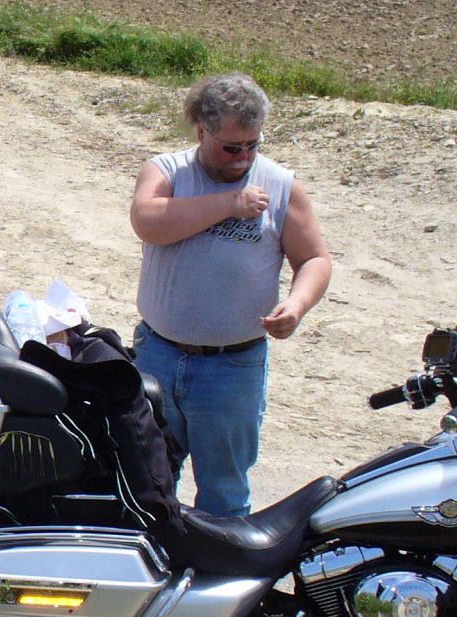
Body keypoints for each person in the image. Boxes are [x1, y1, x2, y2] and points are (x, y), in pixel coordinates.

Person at [128, 72, 331, 518]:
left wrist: (297, 305)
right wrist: (230, 204)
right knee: (148, 480)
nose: (243, 159)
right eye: (231, 147)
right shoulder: (168, 172)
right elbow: (148, 221)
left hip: (231, 367)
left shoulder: (280, 185)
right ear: (202, 131)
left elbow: (315, 259)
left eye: (252, 146)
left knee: (224, 491)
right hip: (159, 354)